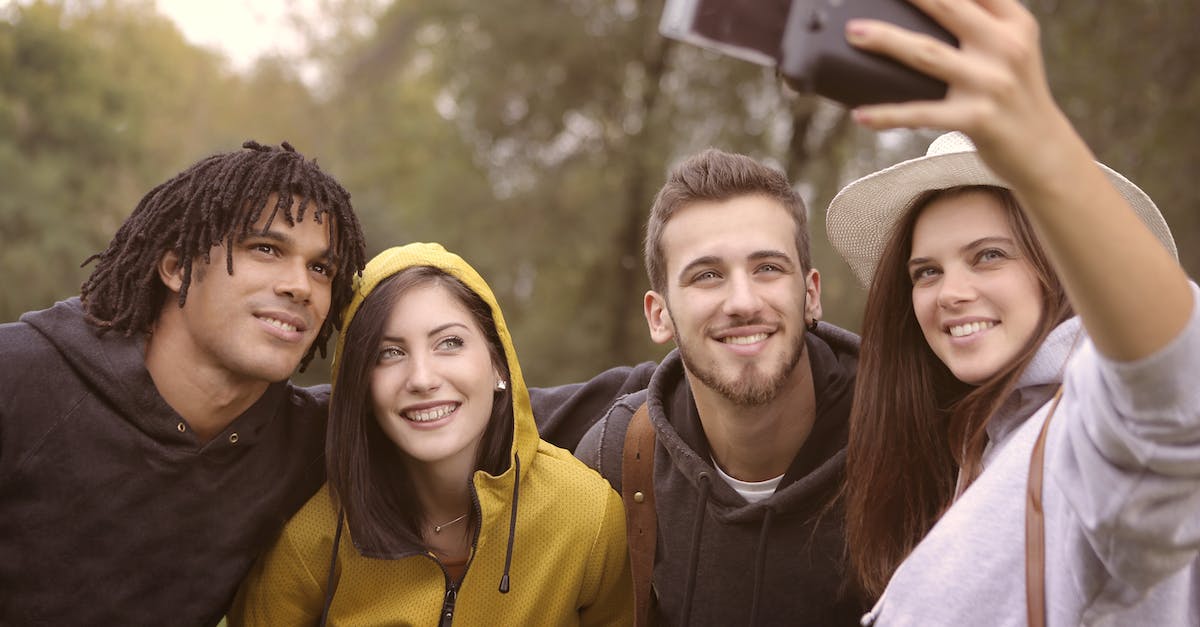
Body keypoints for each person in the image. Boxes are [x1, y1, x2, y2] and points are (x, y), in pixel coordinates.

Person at [826, 0, 1199, 624]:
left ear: (1059, 269)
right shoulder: (973, 455)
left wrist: (1044, 149)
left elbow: (1175, 395)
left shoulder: (1096, 436)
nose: (951, 292)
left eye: (989, 256)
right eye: (927, 271)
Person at [0, 141, 367, 626]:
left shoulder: (314, 443)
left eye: (321, 268)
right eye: (266, 248)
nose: (300, 285)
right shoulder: (18, 376)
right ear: (176, 268)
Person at [230, 243, 634, 625]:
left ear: (499, 365)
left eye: (450, 343)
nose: (422, 379)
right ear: (360, 385)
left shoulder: (590, 516)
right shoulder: (309, 537)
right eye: (389, 353)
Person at [572, 148, 865, 625]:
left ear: (811, 293)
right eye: (707, 275)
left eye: (767, 268)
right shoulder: (621, 459)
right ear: (659, 314)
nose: (743, 302)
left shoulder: (911, 439)